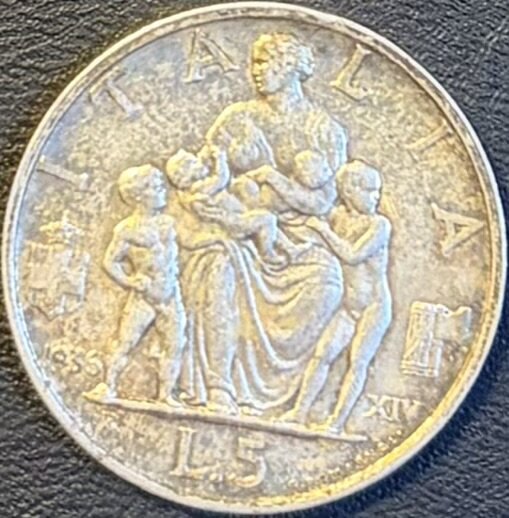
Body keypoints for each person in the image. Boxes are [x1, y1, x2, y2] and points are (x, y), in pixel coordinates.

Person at [176, 32, 349, 417]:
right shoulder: (236, 119)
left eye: (263, 62)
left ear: (289, 67)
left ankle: (284, 391)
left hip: (298, 233)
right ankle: (220, 385)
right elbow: (203, 172)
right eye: (255, 62)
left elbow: (323, 202)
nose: (255, 71)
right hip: (236, 225)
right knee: (220, 265)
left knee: (327, 281)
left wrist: (274, 181)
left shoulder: (324, 129)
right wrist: (209, 204)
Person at [285, 160, 392, 431]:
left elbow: (352, 255)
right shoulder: (338, 217)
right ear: (350, 191)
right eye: (370, 190)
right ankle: (299, 413)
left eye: (377, 191)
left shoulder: (380, 225)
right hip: (349, 305)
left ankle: (337, 422)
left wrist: (321, 230)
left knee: (357, 362)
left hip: (374, 307)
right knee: (323, 354)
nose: (376, 197)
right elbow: (314, 231)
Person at [86, 165, 186, 407]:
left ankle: (165, 395)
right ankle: (107, 385)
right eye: (156, 187)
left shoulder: (169, 222)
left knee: (175, 344)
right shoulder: (127, 229)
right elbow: (110, 261)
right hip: (144, 296)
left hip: (171, 294)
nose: (163, 190)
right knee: (125, 341)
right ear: (139, 195)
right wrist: (129, 280)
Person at [165, 145, 298, 264]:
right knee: (267, 219)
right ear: (186, 176)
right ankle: (268, 254)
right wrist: (220, 158)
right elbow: (221, 178)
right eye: (195, 162)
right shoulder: (199, 190)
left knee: (266, 220)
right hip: (234, 223)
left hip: (237, 216)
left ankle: (290, 248)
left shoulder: (198, 188)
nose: (200, 163)